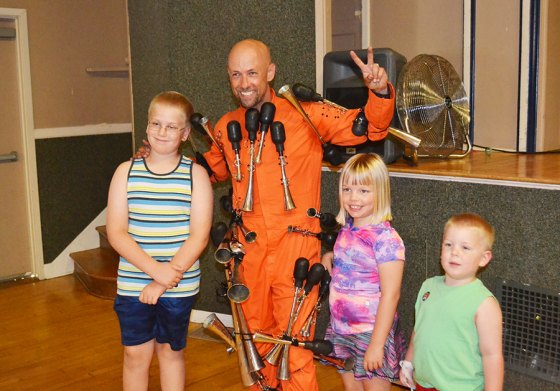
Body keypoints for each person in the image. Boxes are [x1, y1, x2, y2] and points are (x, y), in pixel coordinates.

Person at [200, 39, 396, 391]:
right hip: (248, 252)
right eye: (235, 75)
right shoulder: (227, 128)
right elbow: (208, 171)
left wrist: (379, 91)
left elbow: (367, 127)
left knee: (294, 349)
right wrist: (159, 154)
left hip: (296, 250)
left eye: (252, 73)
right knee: (254, 340)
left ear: (271, 72)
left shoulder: (305, 113)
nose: (244, 83)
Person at [107, 91, 213, 391]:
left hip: (178, 284)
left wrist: (164, 279)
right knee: (134, 355)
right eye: (156, 124)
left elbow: (199, 236)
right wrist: (155, 272)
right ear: (147, 126)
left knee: (170, 353)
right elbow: (116, 232)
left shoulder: (197, 176)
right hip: (133, 282)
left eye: (171, 126)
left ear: (185, 133)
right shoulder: (125, 173)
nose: (162, 132)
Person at [320, 153, 406, 391]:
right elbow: (352, 262)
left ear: (380, 192)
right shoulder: (347, 229)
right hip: (340, 328)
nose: (353, 198)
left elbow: (391, 295)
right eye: (347, 189)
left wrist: (377, 344)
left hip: (370, 332)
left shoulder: (386, 239)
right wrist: (330, 257)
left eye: (363, 191)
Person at [399, 213, 504, 391]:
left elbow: (492, 356)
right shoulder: (428, 287)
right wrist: (408, 363)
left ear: (483, 258)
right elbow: (419, 331)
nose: (454, 252)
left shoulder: (484, 303)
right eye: (448, 245)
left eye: (465, 247)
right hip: (424, 383)